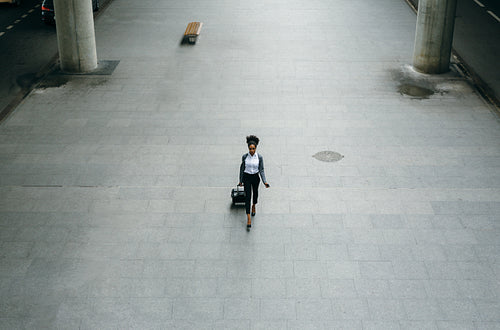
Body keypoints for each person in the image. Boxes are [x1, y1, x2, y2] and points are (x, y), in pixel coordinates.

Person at [239, 135, 270, 229]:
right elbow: (242, 169)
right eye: (250, 149)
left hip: (255, 178)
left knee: (255, 194)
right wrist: (240, 180)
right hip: (247, 178)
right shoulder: (245, 157)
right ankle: (248, 217)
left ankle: (254, 205)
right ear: (248, 148)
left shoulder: (259, 157)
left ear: (256, 148)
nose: (252, 150)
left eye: (253, 148)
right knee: (247, 196)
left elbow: (261, 170)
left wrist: (265, 181)